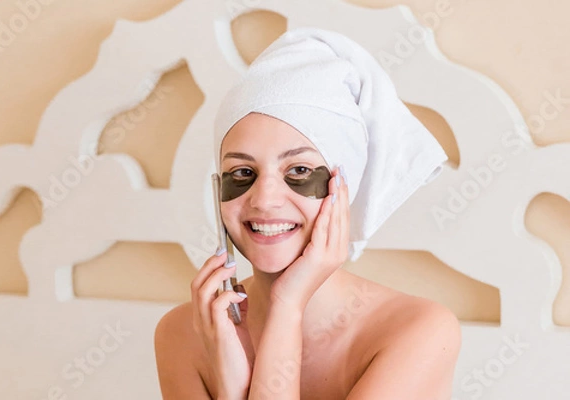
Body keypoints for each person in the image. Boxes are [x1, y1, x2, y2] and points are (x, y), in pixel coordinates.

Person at [155, 27, 461, 399]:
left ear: (341, 187)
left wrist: (285, 311)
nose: (264, 200)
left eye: (298, 171)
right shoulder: (182, 334)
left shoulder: (418, 332)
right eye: (242, 173)